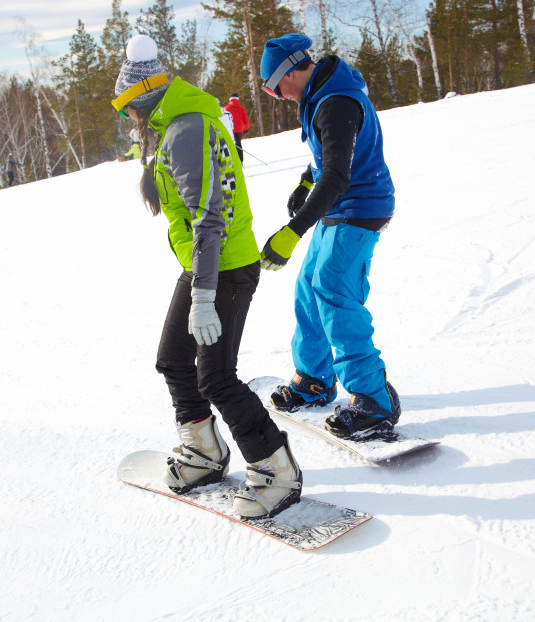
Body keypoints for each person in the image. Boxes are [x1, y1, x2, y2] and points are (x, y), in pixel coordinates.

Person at [111, 34, 302, 519]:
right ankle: (206, 452)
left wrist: (203, 295)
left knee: (216, 378)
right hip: (202, 266)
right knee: (173, 361)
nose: (126, 118)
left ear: (144, 96)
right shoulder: (172, 124)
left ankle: (276, 469)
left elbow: (208, 217)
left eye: (126, 108)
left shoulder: (187, 128)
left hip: (225, 268)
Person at [257, 32, 401, 440]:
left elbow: (339, 173)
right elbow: (328, 157)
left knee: (334, 290)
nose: (276, 96)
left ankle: (374, 398)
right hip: (341, 205)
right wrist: (306, 181)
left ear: (288, 74)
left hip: (360, 207)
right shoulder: (324, 94)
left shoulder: (335, 102)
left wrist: (293, 231)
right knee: (309, 286)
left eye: (272, 87)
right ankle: (315, 378)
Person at [223, 93, 250, 163]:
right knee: (238, 144)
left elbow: (224, 119)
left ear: (230, 99)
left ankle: (231, 161)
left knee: (229, 145)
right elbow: (246, 119)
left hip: (230, 129)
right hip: (239, 130)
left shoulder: (226, 108)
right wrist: (247, 128)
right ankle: (240, 161)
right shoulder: (241, 108)